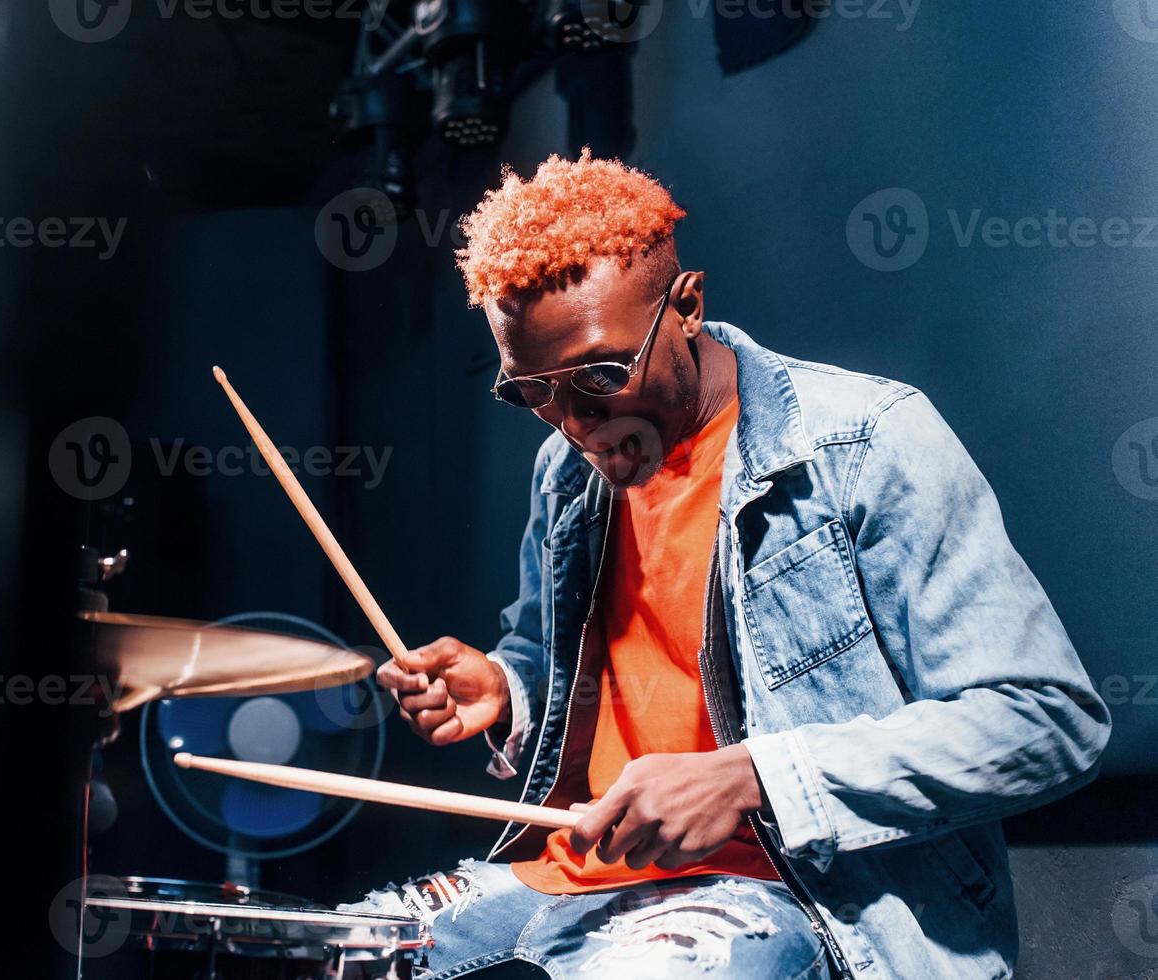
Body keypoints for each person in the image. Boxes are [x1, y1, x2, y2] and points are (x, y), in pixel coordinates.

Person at [347, 151, 1110, 979]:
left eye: (601, 374)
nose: (574, 422)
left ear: (687, 306)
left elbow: (1045, 719)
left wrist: (754, 777)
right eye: (533, 391)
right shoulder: (568, 474)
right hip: (571, 877)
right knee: (333, 954)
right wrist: (504, 690)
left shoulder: (868, 441)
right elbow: (554, 662)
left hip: (805, 899)